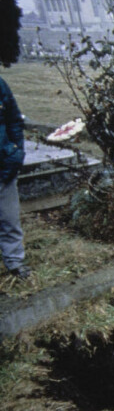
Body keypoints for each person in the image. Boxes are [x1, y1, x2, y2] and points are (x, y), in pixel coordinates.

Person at [0, 76, 30, 280]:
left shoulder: (0, 86)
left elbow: (14, 121)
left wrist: (16, 153)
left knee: (9, 218)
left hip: (4, 165)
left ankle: (15, 262)